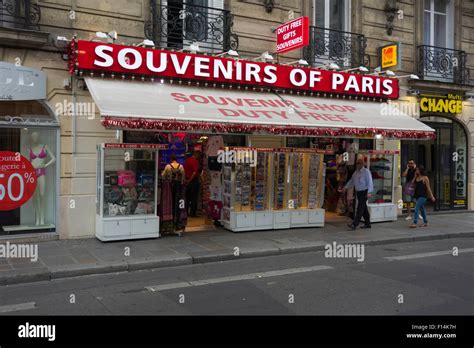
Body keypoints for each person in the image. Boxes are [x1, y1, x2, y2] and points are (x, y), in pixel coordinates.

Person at [339, 158, 373, 230]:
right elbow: (352, 181)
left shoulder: (366, 172)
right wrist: (345, 188)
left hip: (364, 192)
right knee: (364, 208)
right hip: (359, 192)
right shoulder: (356, 172)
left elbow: (370, 182)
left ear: (362, 164)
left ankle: (354, 224)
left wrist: (369, 192)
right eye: (357, 163)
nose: (357, 165)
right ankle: (368, 223)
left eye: (359, 163)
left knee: (360, 208)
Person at [161, 154, 186, 236]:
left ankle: (170, 221)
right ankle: (177, 222)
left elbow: (163, 176)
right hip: (178, 187)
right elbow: (183, 178)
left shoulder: (168, 166)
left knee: (170, 202)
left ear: (171, 159)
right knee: (177, 203)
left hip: (170, 187)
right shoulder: (181, 166)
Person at [184, 150, 201, 217]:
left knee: (187, 197)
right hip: (193, 181)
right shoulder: (195, 161)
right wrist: (190, 180)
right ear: (196, 155)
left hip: (187, 180)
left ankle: (186, 212)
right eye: (199, 155)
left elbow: (184, 170)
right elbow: (195, 172)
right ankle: (192, 213)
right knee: (194, 198)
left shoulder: (187, 160)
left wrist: (186, 180)